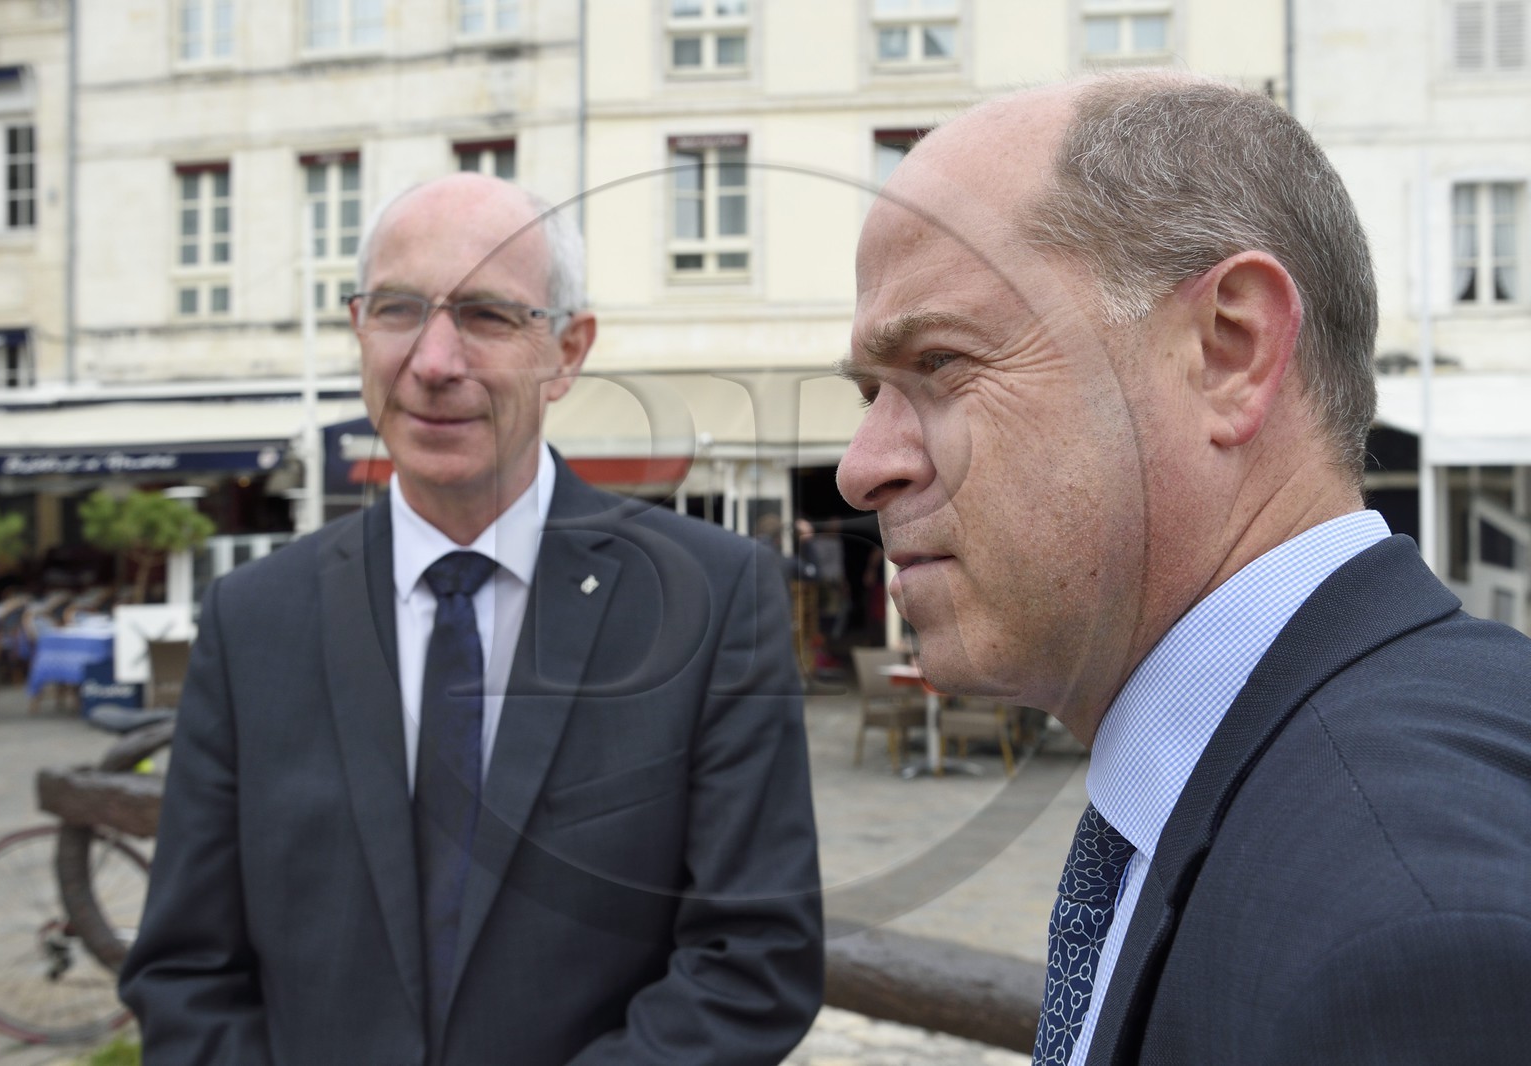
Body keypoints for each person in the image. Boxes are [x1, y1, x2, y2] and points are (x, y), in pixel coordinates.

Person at [836, 72, 1531, 1066]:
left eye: (941, 365)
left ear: (1229, 351)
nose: (863, 467)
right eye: (869, 390)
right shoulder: (1340, 785)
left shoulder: (1407, 931)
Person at [121, 173, 824, 1065]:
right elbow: (186, 972)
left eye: (487, 315)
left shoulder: (710, 600)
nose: (434, 360)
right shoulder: (251, 618)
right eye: (399, 309)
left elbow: (753, 961)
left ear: (567, 351)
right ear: (358, 327)